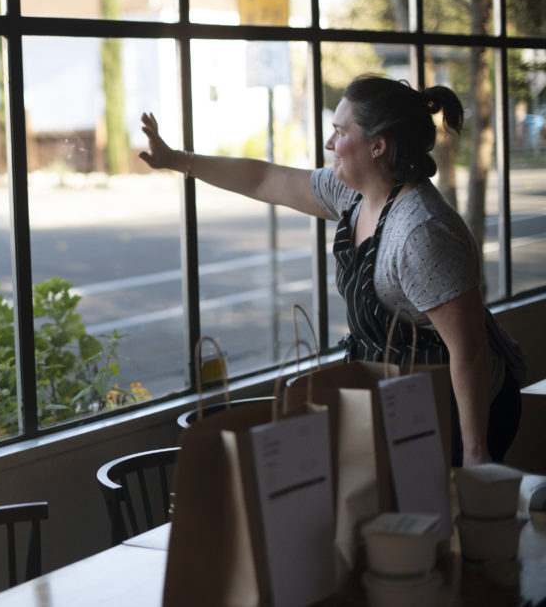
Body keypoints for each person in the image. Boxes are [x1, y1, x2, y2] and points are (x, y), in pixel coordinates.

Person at [140, 75, 524, 467]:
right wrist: (176, 160)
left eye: (340, 132)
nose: (329, 144)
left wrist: (476, 454)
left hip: (462, 409)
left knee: (445, 519)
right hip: (406, 394)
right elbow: (265, 179)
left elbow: (469, 350)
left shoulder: (420, 233)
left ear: (378, 146)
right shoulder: (353, 194)